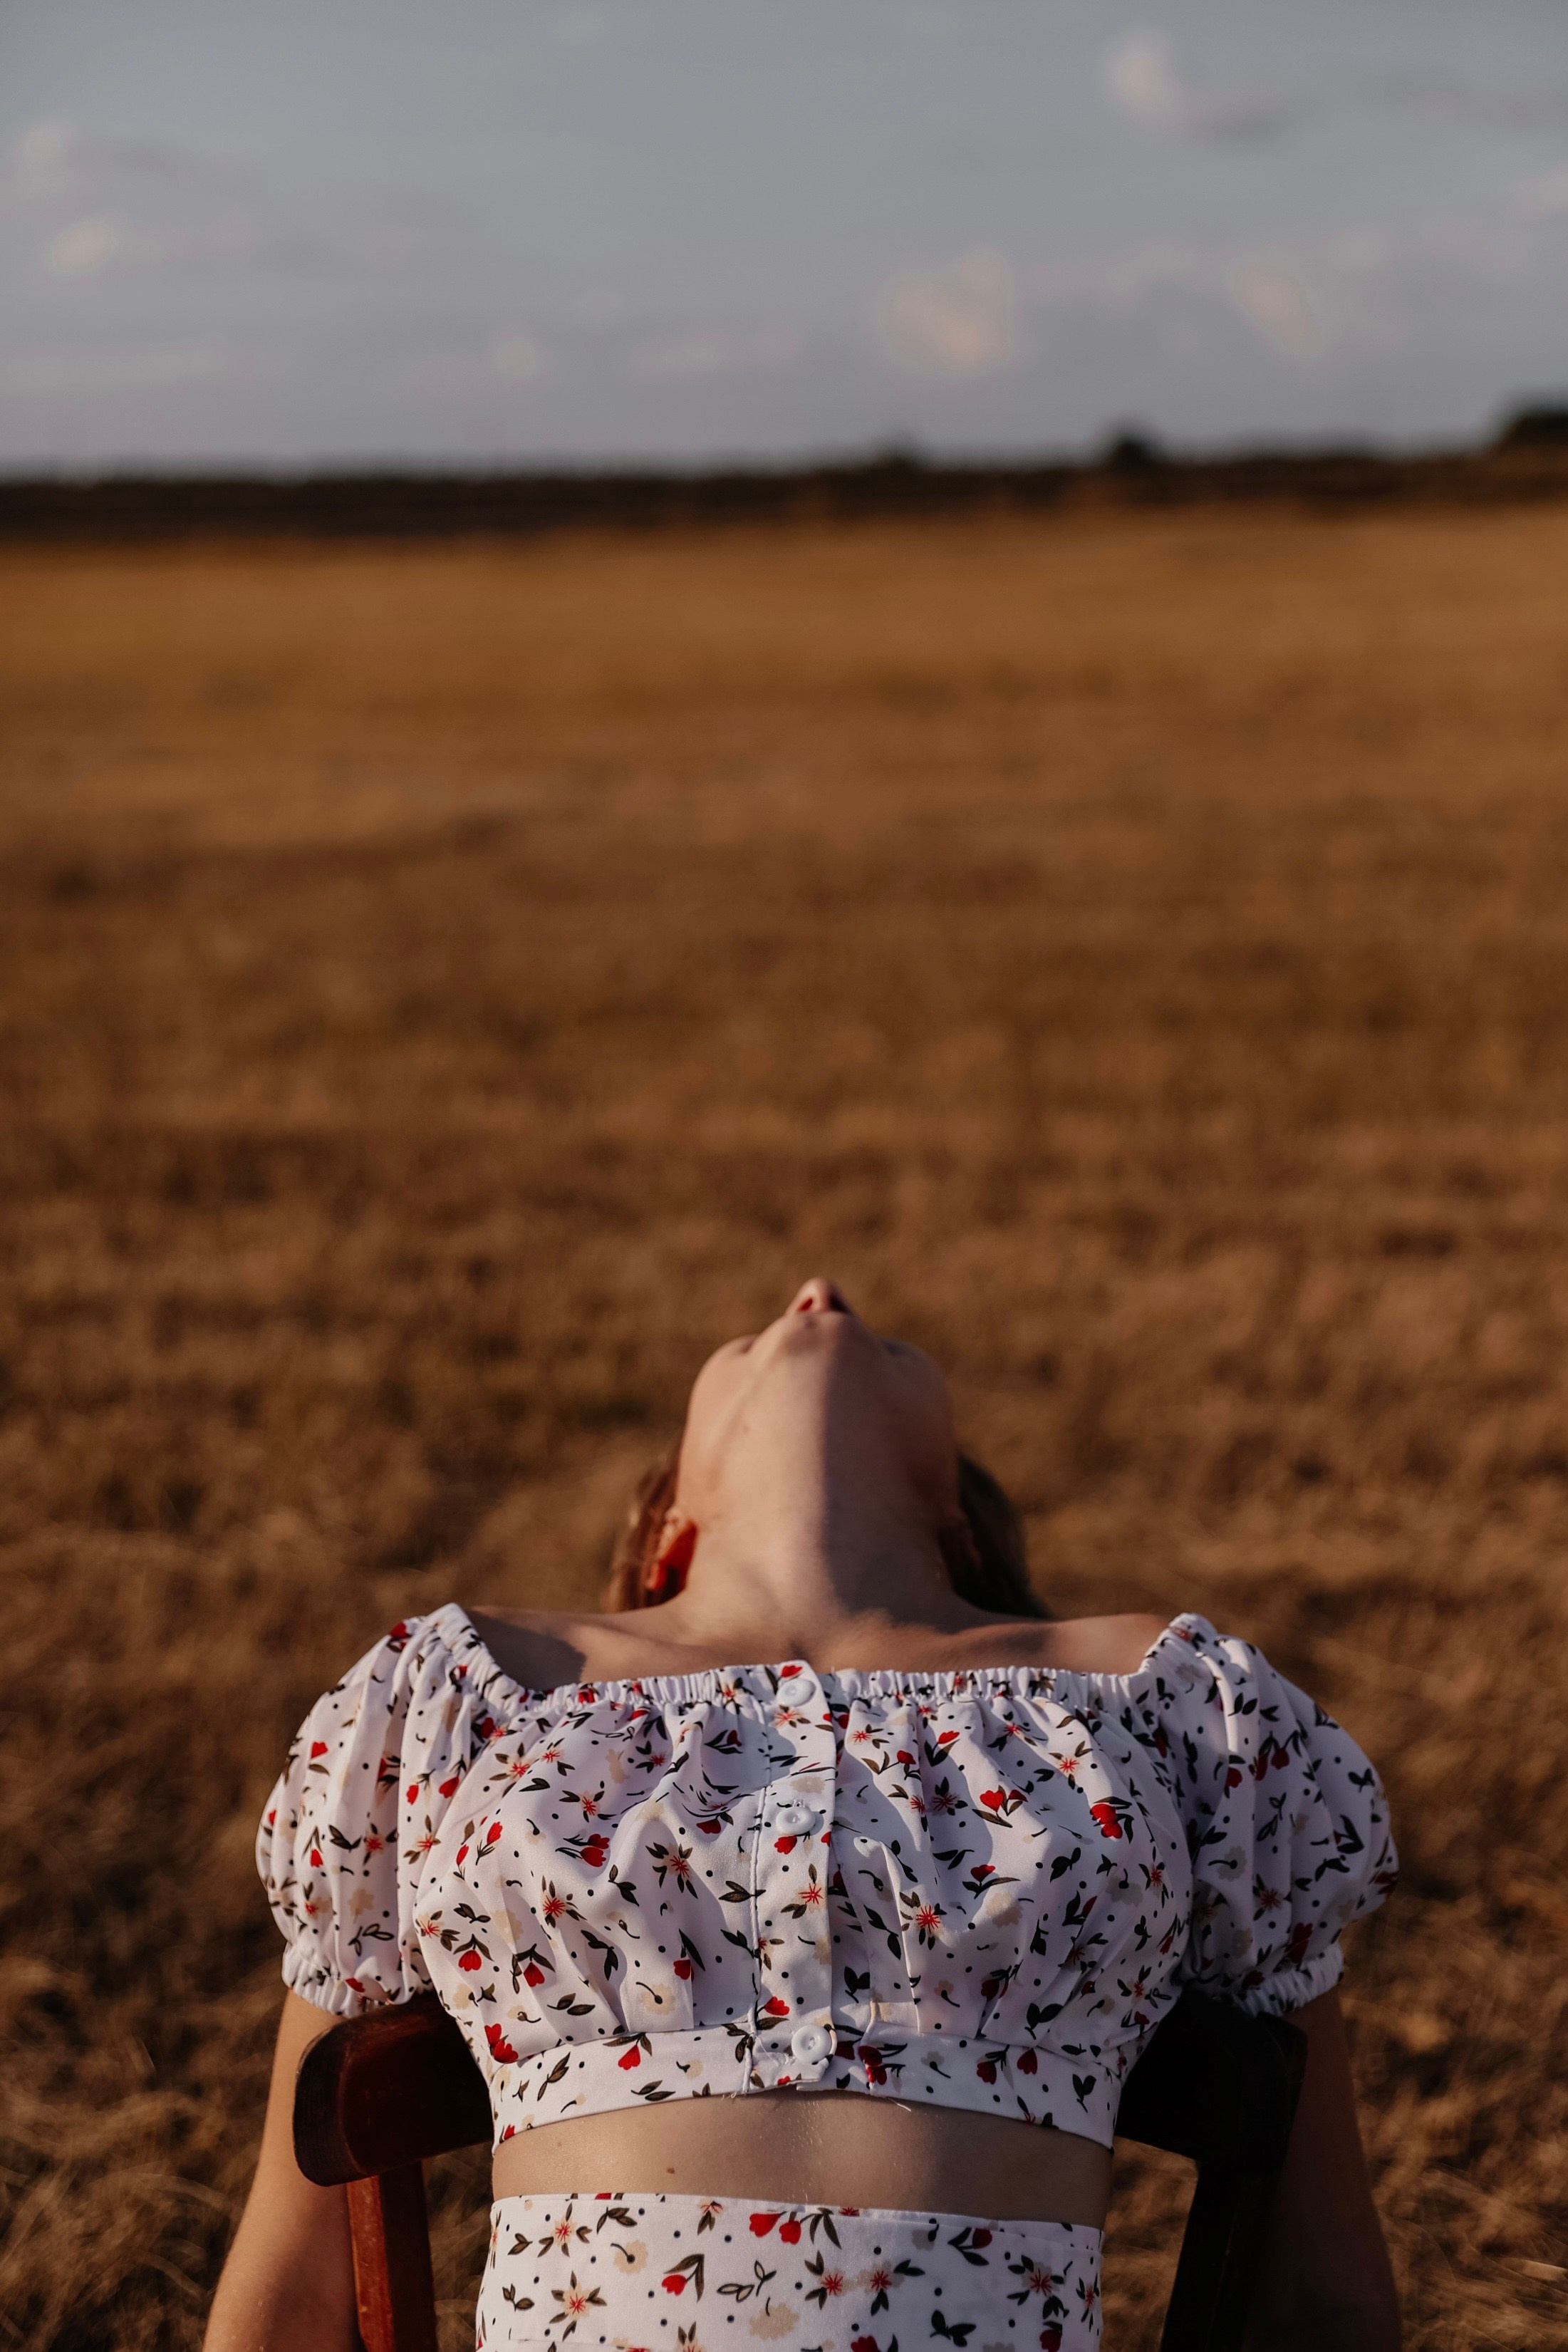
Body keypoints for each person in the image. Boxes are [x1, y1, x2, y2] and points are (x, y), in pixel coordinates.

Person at [206, 1278, 1401, 2352]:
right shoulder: (459, 1692)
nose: (817, 1292)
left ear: (961, 1525)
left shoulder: (1175, 1698)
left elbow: (1318, 2294)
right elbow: (297, 2276)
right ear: (669, 1525)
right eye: (748, 1331)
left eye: (888, 1337)